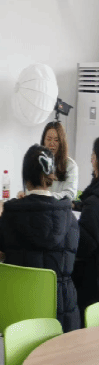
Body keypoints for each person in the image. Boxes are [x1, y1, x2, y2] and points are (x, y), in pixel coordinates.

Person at [0, 144, 80, 332]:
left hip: (17, 314)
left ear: (26, 178)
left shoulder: (12, 213)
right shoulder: (69, 217)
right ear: (51, 176)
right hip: (60, 317)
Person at [72, 137, 99, 325]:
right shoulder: (92, 198)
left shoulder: (94, 201)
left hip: (91, 285)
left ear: (95, 159)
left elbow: (84, 246)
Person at [17, 121, 78, 200]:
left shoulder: (70, 165)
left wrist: (45, 196)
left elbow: (70, 194)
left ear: (62, 143)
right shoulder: (36, 161)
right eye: (49, 139)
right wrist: (24, 194)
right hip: (37, 204)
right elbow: (30, 189)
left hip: (58, 206)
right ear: (43, 141)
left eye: (56, 140)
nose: (52, 143)